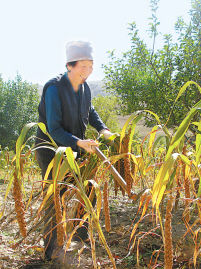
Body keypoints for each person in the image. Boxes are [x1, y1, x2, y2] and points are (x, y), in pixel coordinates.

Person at [35, 41, 113, 261]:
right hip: (52, 151)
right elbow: (54, 128)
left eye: (91, 66)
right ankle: (52, 248)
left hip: (77, 147)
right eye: (83, 66)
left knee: (88, 188)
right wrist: (79, 143)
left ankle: (81, 234)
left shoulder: (85, 87)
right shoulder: (54, 88)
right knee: (55, 197)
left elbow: (90, 109)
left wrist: (103, 128)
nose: (87, 71)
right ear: (69, 65)